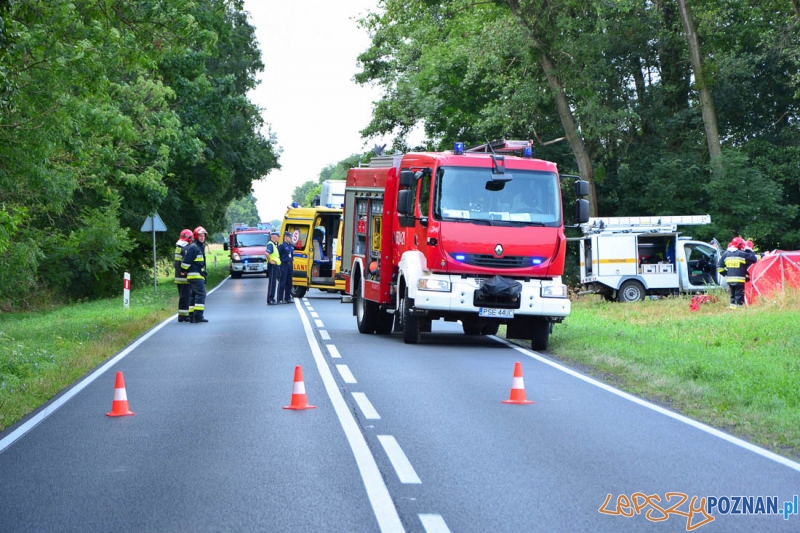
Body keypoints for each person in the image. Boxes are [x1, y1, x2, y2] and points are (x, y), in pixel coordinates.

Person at [717, 236, 757, 309]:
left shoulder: (725, 254)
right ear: (739, 245)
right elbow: (754, 259)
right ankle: (739, 308)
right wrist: (763, 255)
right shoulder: (741, 254)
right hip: (739, 279)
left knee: (732, 294)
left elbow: (719, 267)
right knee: (739, 294)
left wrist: (726, 273)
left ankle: (732, 307)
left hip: (729, 279)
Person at [182, 226, 209, 322]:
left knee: (194, 295)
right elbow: (185, 262)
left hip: (198, 274)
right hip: (195, 275)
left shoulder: (199, 247)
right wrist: (183, 270)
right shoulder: (193, 247)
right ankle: (198, 316)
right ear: (196, 236)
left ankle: (192, 315)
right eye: (200, 235)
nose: (202, 237)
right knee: (201, 294)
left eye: (203, 235)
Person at [174, 229, 193, 322]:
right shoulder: (185, 248)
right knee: (186, 297)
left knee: (183, 296)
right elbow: (187, 262)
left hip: (178, 276)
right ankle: (184, 316)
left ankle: (182, 315)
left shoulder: (178, 246)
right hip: (184, 277)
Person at [278, 231, 295, 303]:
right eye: (289, 237)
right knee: (282, 281)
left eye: (291, 237)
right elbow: (278, 255)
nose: (291, 238)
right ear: (285, 237)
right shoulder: (282, 246)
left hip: (290, 264)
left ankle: (287, 297)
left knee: (289, 282)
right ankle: (280, 298)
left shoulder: (291, 246)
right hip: (284, 264)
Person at [266, 230, 281, 305]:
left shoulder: (274, 244)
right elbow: (266, 253)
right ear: (273, 237)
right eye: (278, 236)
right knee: (272, 283)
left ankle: (271, 298)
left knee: (274, 282)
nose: (279, 238)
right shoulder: (270, 244)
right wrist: (270, 261)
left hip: (275, 266)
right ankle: (270, 299)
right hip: (272, 266)